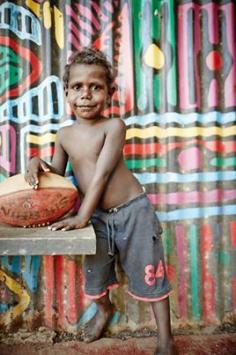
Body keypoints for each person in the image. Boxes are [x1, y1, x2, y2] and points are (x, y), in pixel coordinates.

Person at [25, 47, 175, 355]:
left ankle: (166, 340)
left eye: (96, 87)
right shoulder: (64, 134)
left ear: (110, 92)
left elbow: (103, 174)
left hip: (134, 212)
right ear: (67, 93)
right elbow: (58, 173)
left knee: (151, 273)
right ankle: (104, 310)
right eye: (78, 87)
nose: (86, 94)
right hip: (98, 218)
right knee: (95, 277)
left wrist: (81, 217)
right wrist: (36, 163)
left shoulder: (114, 126)